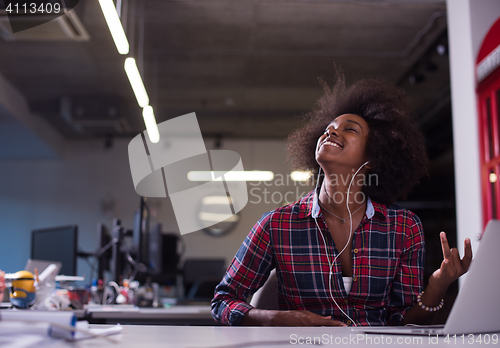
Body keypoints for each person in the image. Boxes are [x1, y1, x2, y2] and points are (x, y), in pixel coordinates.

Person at [211, 76, 472, 326]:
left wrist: (438, 286)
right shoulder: (277, 224)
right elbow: (223, 302)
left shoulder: (403, 227)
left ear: (373, 157)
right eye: (328, 129)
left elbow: (405, 323)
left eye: (349, 129)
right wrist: (276, 319)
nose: (331, 133)